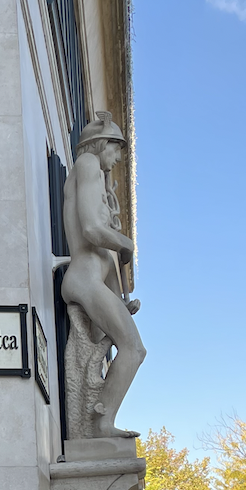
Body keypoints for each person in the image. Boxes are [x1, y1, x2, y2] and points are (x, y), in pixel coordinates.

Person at [61, 111, 146, 438]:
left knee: (118, 355)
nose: (118, 158)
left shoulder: (95, 174)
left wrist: (120, 302)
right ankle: (102, 423)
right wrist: (125, 243)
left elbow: (102, 252)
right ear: (100, 144)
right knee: (134, 349)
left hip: (92, 280)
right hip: (84, 280)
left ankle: (98, 420)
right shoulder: (87, 164)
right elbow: (92, 229)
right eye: (115, 148)